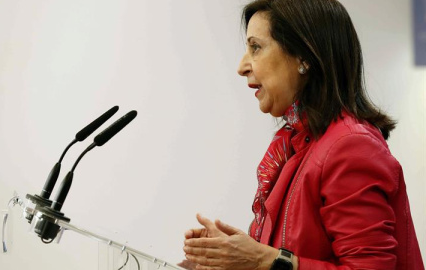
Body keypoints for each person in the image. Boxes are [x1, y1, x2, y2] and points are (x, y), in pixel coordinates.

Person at [181, 0, 424, 269]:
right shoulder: (298, 143)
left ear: (304, 57)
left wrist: (263, 260)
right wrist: (232, 259)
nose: (242, 66)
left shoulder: (350, 146)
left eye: (256, 47)